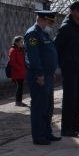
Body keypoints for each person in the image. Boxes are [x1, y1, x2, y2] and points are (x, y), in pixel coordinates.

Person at [24, 10, 60, 145]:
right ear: (41, 19)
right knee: (39, 106)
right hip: (39, 76)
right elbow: (33, 57)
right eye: (48, 21)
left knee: (48, 106)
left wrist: (51, 71)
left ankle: (47, 133)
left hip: (47, 75)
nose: (49, 24)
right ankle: (39, 136)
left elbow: (48, 53)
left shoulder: (43, 33)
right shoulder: (33, 33)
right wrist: (39, 74)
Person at [54, 1, 79, 137]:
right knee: (69, 99)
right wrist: (64, 62)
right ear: (72, 12)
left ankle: (75, 125)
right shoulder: (66, 28)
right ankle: (66, 128)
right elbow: (56, 46)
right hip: (69, 68)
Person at [8, 36, 27, 107]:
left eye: (23, 42)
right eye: (21, 42)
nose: (22, 43)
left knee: (21, 87)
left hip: (21, 72)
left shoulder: (21, 50)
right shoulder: (13, 50)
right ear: (16, 42)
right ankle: (18, 102)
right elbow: (12, 62)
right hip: (16, 72)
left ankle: (19, 101)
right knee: (19, 87)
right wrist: (19, 68)